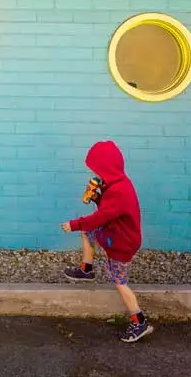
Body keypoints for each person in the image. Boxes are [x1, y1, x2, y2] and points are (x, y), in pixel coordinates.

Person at [60, 140, 152, 343]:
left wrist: (74, 224)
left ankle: (139, 321)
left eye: (98, 170)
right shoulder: (117, 185)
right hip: (116, 233)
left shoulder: (119, 191)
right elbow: (109, 210)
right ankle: (86, 269)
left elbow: (99, 218)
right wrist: (96, 197)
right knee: (88, 232)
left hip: (122, 242)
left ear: (107, 168)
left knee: (120, 282)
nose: (96, 175)